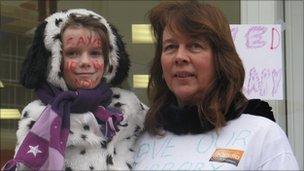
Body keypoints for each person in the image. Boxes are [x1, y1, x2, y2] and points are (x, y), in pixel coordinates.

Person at [133, 1, 299, 170]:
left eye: (194, 46)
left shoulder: (263, 136)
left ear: (220, 60)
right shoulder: (139, 139)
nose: (180, 56)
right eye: (171, 47)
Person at [2, 9, 148, 171]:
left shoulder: (129, 108)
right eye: (72, 53)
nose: (85, 62)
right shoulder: (38, 115)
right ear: (55, 60)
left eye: (95, 53)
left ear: (108, 61)